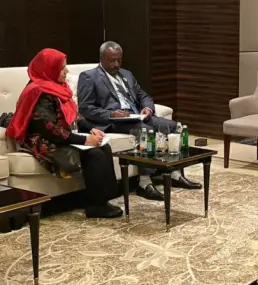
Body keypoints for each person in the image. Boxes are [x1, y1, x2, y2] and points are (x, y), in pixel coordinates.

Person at [6, 49, 123, 218]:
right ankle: (95, 205)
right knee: (95, 154)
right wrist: (84, 141)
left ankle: (103, 200)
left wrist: (90, 129)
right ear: (49, 69)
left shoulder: (58, 87)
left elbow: (73, 117)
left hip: (61, 135)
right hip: (44, 141)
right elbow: (50, 129)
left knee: (104, 147)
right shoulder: (38, 92)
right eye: (62, 68)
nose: (66, 71)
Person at [77, 41, 200, 200]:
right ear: (102, 58)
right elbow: (85, 108)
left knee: (175, 127)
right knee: (146, 132)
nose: (116, 64)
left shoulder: (127, 74)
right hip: (113, 122)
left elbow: (143, 95)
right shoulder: (89, 77)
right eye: (112, 61)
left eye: (119, 60)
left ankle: (175, 173)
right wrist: (112, 114)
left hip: (136, 116)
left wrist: (148, 108)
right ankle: (144, 182)